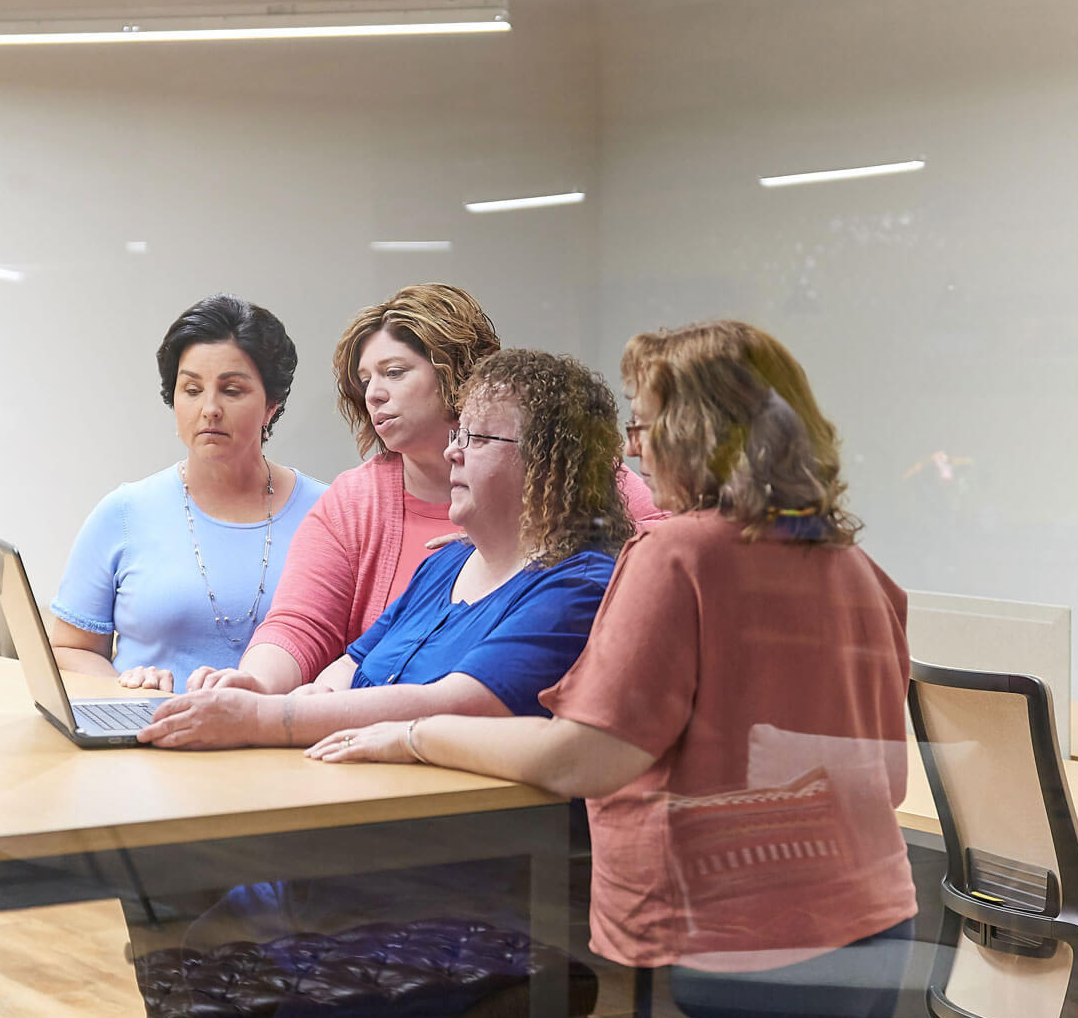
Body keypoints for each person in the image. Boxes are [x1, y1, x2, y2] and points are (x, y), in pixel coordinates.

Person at [311, 321, 918, 1018]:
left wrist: (417, 737)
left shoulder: (677, 557)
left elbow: (582, 757)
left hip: (744, 943)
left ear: (696, 433)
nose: (633, 448)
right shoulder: (858, 567)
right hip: (876, 923)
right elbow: (889, 776)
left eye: (644, 422)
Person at [135, 348, 633, 748]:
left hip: (434, 851)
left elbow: (457, 703)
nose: (452, 450)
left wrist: (268, 717)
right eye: (457, 433)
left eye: (476, 438)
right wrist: (292, 695)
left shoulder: (578, 585)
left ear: (548, 464)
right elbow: (351, 664)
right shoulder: (446, 563)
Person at [182, 283, 662, 698]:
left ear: (457, 373)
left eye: (394, 372)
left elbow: (666, 564)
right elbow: (302, 625)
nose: (373, 394)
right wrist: (259, 686)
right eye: (365, 380)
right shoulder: (367, 509)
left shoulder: (576, 476)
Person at [48, 294, 328, 691]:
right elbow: (70, 649)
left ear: (271, 406)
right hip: (146, 740)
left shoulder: (328, 513)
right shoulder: (125, 512)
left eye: (232, 391)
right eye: (192, 389)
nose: (209, 408)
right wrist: (123, 688)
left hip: (279, 743)